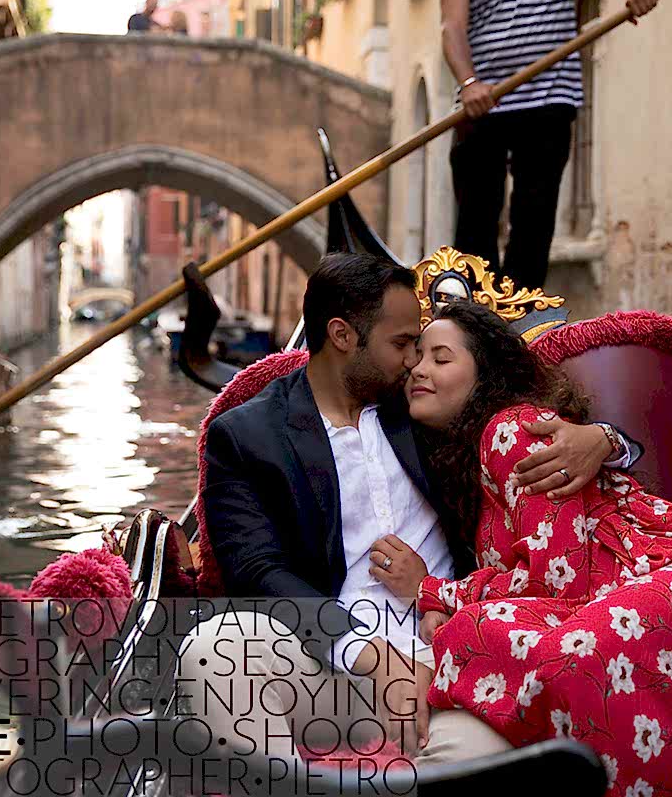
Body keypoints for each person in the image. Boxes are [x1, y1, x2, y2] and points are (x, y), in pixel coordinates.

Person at [181, 253, 635, 779]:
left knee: (482, 759)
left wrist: (605, 439)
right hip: (329, 663)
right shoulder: (248, 436)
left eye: (420, 348)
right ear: (343, 336)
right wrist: (367, 652)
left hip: (453, 661)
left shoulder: (424, 405)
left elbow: (530, 410)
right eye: (401, 345)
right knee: (217, 653)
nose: (413, 363)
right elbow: (257, 572)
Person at [382, 300, 672, 795]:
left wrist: (436, 591)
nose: (419, 370)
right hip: (656, 578)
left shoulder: (510, 429)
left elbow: (556, 576)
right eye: (416, 357)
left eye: (441, 358)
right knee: (498, 634)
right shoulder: (460, 458)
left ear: (484, 374)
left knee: (538, 646)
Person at [442, 0, 659, 289]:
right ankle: (474, 318)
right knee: (474, 223)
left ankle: (522, 319)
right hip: (481, 103)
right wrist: (469, 84)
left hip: (550, 96)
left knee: (534, 223)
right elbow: (452, 26)